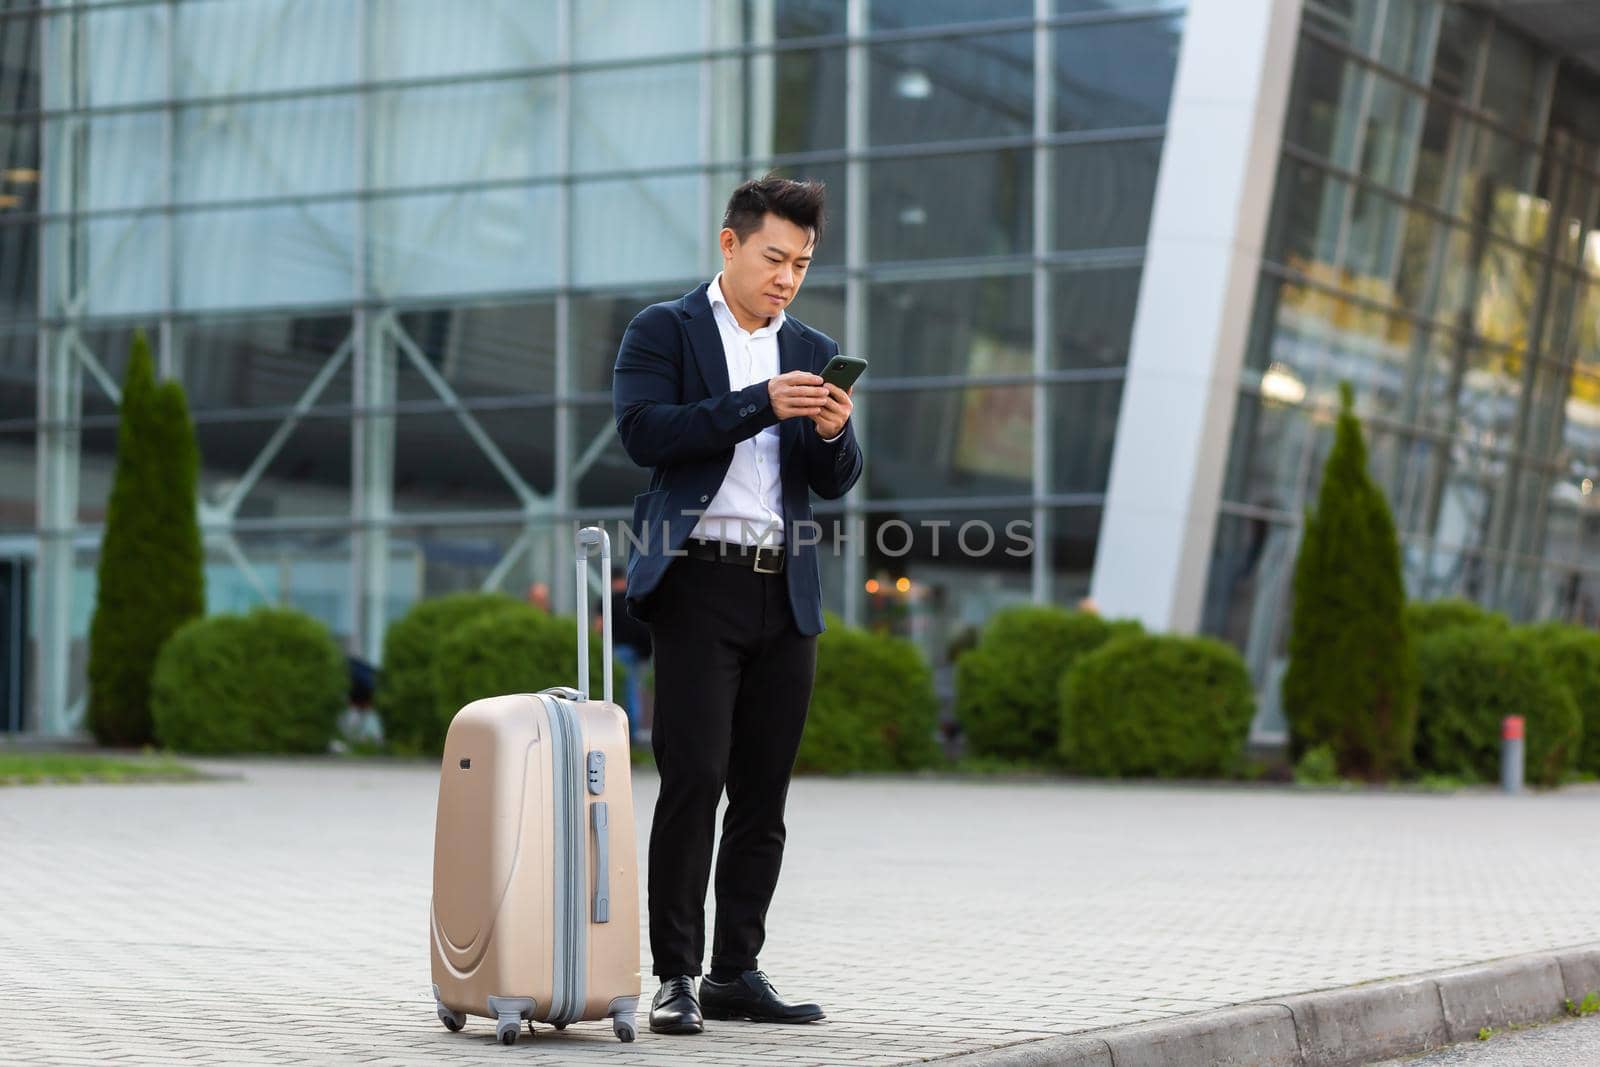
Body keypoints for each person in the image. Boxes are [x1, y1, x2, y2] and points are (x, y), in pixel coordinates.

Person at [611, 175, 863, 1035]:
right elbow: (644, 431)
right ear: (730, 245)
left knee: (763, 792)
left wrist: (834, 430)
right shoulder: (664, 329)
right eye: (773, 257)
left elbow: (831, 481)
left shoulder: (813, 343)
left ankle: (735, 971)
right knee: (694, 781)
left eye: (801, 262)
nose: (787, 276)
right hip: (697, 584)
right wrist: (760, 403)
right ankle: (675, 974)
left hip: (786, 588)